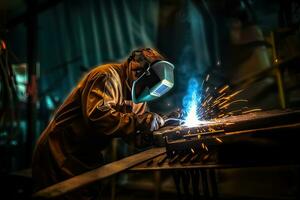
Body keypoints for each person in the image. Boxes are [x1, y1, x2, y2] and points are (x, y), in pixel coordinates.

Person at [32, 48, 175, 199]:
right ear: (134, 66)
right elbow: (99, 118)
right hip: (60, 150)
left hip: (87, 154)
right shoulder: (107, 76)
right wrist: (141, 121)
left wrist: (158, 130)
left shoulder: (138, 96)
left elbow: (134, 134)